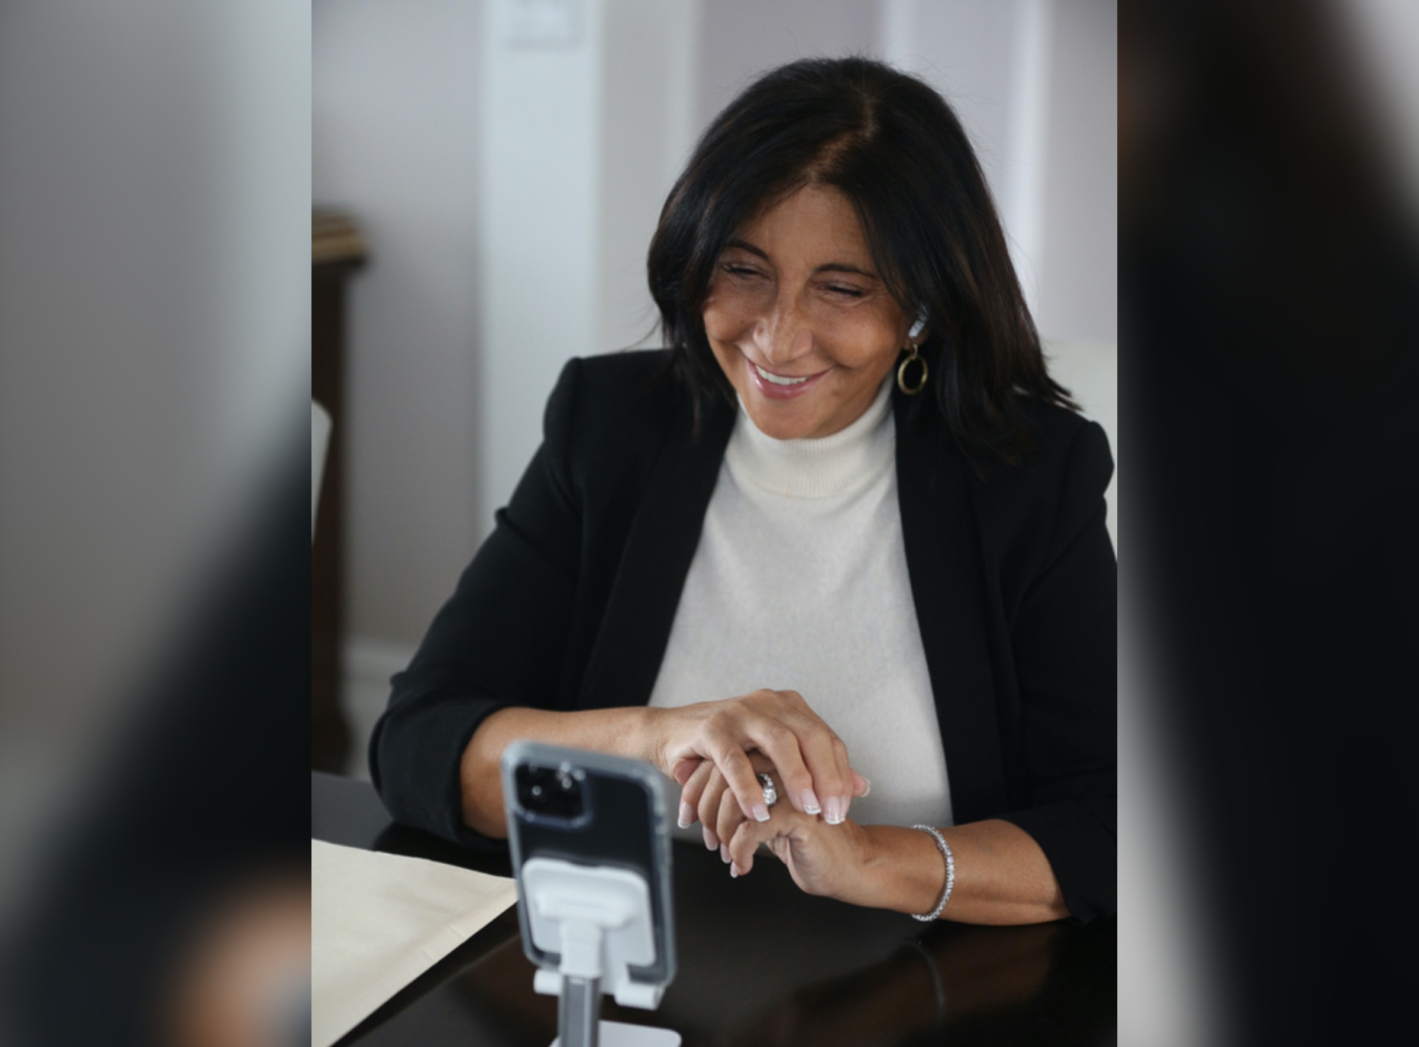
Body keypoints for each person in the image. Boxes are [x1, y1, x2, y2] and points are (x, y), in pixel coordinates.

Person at [370, 57, 1115, 925]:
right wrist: (657, 737)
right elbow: (419, 743)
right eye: (743, 269)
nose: (777, 338)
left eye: (841, 288)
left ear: (925, 305)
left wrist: (869, 858)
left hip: (930, 1005)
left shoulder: (1029, 477)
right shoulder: (611, 427)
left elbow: (1106, 822)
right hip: (625, 986)